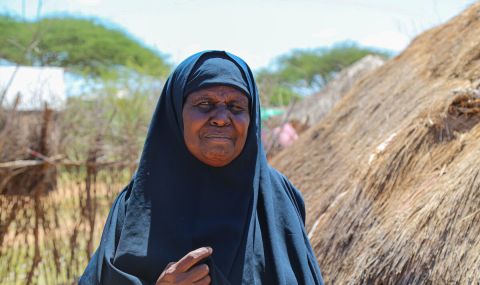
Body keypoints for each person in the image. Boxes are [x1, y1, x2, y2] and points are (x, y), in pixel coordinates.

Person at [79, 51, 324, 285]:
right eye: (205, 103)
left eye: (236, 107)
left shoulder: (278, 198)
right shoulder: (136, 205)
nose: (221, 117)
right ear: (176, 113)